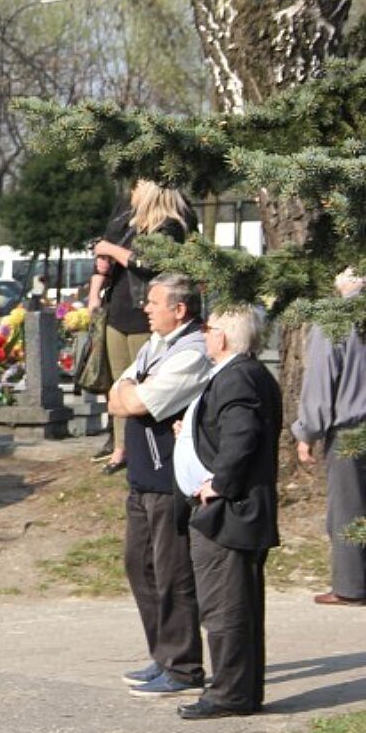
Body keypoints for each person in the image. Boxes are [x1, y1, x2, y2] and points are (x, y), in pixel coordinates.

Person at [106, 273, 212, 698]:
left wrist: (132, 392)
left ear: (179, 309)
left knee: (172, 572)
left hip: (168, 478)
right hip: (142, 476)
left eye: (153, 302)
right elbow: (116, 395)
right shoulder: (156, 345)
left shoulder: (192, 351)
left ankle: (183, 666)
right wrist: (130, 391)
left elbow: (136, 401)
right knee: (140, 566)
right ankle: (163, 654)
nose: (145, 308)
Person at [175, 305, 282, 719]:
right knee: (236, 604)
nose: (204, 334)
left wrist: (219, 484)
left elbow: (243, 436)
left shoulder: (238, 376)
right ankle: (241, 692)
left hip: (229, 512)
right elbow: (228, 430)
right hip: (235, 509)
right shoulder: (246, 373)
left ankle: (229, 695)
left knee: (226, 606)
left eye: (208, 328)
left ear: (221, 335)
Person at [89, 180, 198, 472]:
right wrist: (103, 266)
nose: (132, 193)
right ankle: (120, 448)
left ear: (151, 192)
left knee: (144, 382)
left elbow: (148, 264)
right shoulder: (130, 222)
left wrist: (111, 250)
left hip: (145, 315)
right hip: (118, 311)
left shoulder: (170, 227)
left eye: (137, 187)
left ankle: (145, 447)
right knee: (118, 382)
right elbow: (112, 255)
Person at [294, 267, 366, 606]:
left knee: (348, 509)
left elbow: (321, 384)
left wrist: (307, 430)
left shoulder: (335, 318)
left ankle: (351, 585)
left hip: (350, 427)